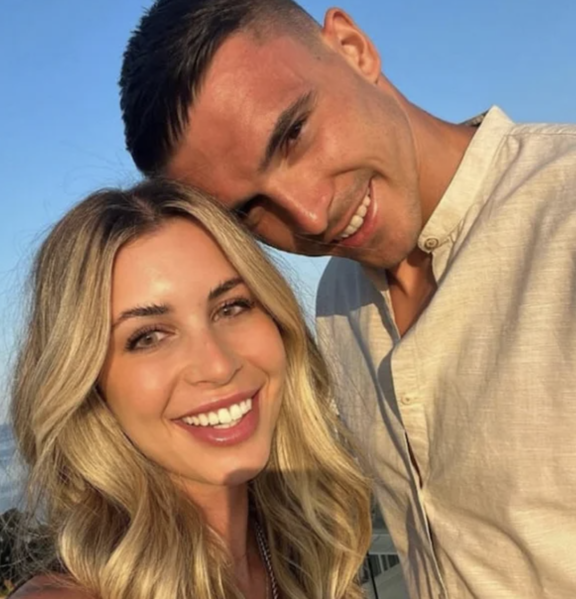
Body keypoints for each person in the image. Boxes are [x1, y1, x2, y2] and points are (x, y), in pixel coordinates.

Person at [118, 1, 576, 598]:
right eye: (248, 209)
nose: (309, 216)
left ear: (353, 48)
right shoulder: (338, 299)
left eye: (294, 135)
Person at [9, 179, 372, 599]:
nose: (218, 365)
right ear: (88, 385)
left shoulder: (304, 549)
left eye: (231, 307)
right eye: (148, 337)